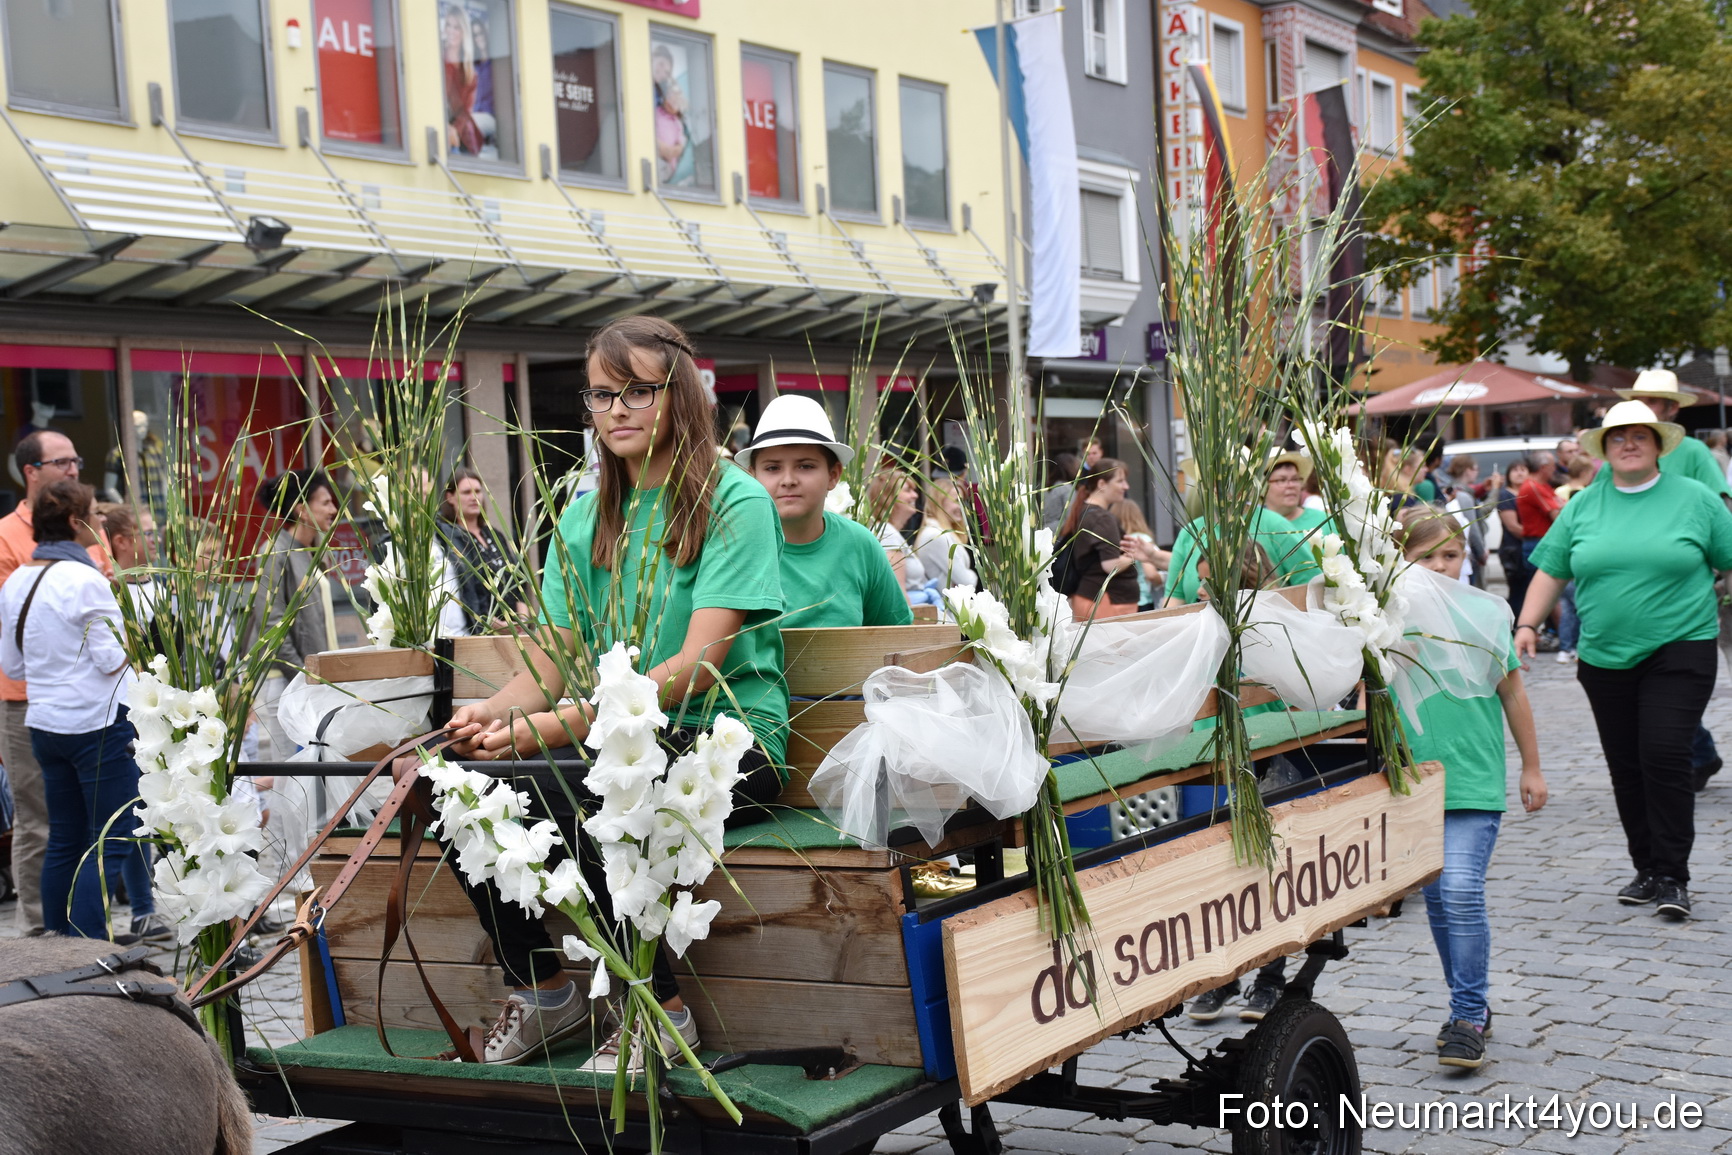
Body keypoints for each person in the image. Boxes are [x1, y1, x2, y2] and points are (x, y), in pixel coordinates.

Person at [438, 317, 788, 1068]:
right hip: (615, 735)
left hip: (726, 738)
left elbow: (699, 665)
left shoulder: (735, 500)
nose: (617, 408)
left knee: (596, 790)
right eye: (602, 393)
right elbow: (553, 659)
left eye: (638, 390)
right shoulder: (582, 515)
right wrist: (489, 713)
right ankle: (544, 990)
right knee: (458, 789)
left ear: (682, 397)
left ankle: (659, 1009)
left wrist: (559, 727)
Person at [1519, 401, 1732, 921]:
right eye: (1618, 437)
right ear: (1604, 449)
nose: (1629, 443)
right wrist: (1526, 625)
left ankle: (1674, 876)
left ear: (1659, 445)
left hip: (1681, 646)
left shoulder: (1696, 499)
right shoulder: (1585, 505)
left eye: (1641, 435)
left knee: (1663, 753)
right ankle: (1648, 869)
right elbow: (1552, 570)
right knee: (1627, 766)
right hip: (1604, 657)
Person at [1397, 509, 1545, 1070]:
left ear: (1467, 559)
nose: (1440, 565)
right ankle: (1468, 1005)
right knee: (1437, 899)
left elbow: (1512, 695)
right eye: (1426, 555)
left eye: (1450, 555)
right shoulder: (1386, 617)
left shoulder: (1484, 616)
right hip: (1413, 781)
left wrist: (1531, 767)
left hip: (1474, 777)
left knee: (1459, 889)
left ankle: (1466, 1013)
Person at [0, 481, 141, 942]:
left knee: (63, 840)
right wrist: (135, 637)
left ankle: (58, 947)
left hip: (43, 723)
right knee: (111, 837)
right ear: (76, 523)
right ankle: (89, 949)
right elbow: (110, 658)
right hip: (95, 725)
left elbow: (12, 664)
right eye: (96, 515)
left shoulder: (19, 579)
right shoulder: (87, 580)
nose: (102, 523)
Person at [737, 395, 911, 629]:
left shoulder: (860, 545)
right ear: (752, 476)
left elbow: (896, 635)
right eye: (773, 468)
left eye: (805, 466)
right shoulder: (733, 546)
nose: (788, 480)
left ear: (833, 475)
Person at [94, 503, 170, 942]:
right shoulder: (108, 591)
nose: (153, 538)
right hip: (125, 707)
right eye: (145, 531)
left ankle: (155, 903)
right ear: (121, 541)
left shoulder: (159, 589)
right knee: (131, 808)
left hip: (158, 706)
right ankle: (141, 908)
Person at [1610, 370, 1731, 497]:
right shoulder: (1619, 451)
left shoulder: (1693, 450)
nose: (1642, 407)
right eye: (1637, 401)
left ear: (1672, 407)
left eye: (1652, 401)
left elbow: (1718, 502)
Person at [439, 466, 526, 634]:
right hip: (480, 633)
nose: (474, 498)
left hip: (517, 632)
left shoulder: (494, 535)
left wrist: (522, 620)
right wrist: (496, 625)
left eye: (478, 491)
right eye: (466, 493)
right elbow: (466, 594)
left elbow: (517, 581)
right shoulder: (451, 539)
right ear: (450, 497)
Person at [1056, 459, 1139, 620]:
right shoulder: (1102, 517)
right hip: (1106, 601)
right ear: (1102, 484)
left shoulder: (1084, 511)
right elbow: (1110, 565)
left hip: (1092, 598)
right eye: (1120, 481)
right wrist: (1131, 557)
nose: (1126, 487)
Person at [1259, 449, 1329, 585]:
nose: (1290, 485)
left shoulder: (1323, 520)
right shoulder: (1257, 525)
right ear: (1263, 487)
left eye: (1295, 479)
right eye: (1281, 480)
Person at [864, 467, 932, 606]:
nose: (915, 496)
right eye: (907, 490)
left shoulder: (889, 532)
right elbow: (898, 595)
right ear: (888, 497)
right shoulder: (887, 534)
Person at [914, 476, 979, 593]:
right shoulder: (936, 535)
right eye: (955, 500)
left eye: (962, 501)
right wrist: (972, 575)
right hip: (946, 609)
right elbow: (967, 582)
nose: (961, 507)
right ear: (939, 501)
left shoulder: (937, 532)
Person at [1108, 498, 1166, 611]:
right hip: (1141, 599)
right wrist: (1165, 578)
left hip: (1116, 600)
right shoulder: (1141, 540)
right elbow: (1151, 575)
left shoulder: (1112, 541)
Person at [1440, 456, 1488, 588]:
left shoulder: (1450, 490)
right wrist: (1481, 552)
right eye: (1476, 469)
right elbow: (1472, 528)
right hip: (1467, 554)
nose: (1477, 472)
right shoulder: (1463, 496)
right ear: (1467, 470)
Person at [1494, 459, 1529, 613]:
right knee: (1518, 593)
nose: (1519, 473)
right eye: (1515, 470)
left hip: (1526, 549)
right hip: (1513, 551)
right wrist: (1535, 537)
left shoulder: (1529, 492)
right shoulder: (1505, 494)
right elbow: (1513, 526)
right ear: (1508, 475)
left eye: (1523, 469)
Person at [1041, 452, 1081, 533]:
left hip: (1046, 531)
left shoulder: (1049, 487)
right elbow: (1070, 518)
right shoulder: (1066, 488)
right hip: (1059, 533)